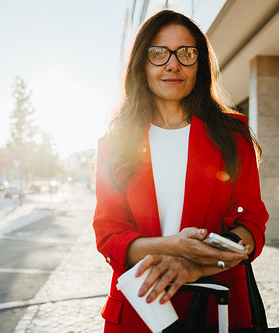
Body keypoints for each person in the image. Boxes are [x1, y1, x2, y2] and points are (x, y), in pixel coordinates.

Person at [93, 9, 269, 332]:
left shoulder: (233, 135)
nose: (173, 64)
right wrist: (172, 246)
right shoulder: (115, 144)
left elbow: (251, 227)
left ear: (199, 63)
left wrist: (192, 265)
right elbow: (109, 236)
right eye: (158, 54)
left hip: (220, 311)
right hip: (139, 313)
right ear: (141, 64)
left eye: (186, 53)